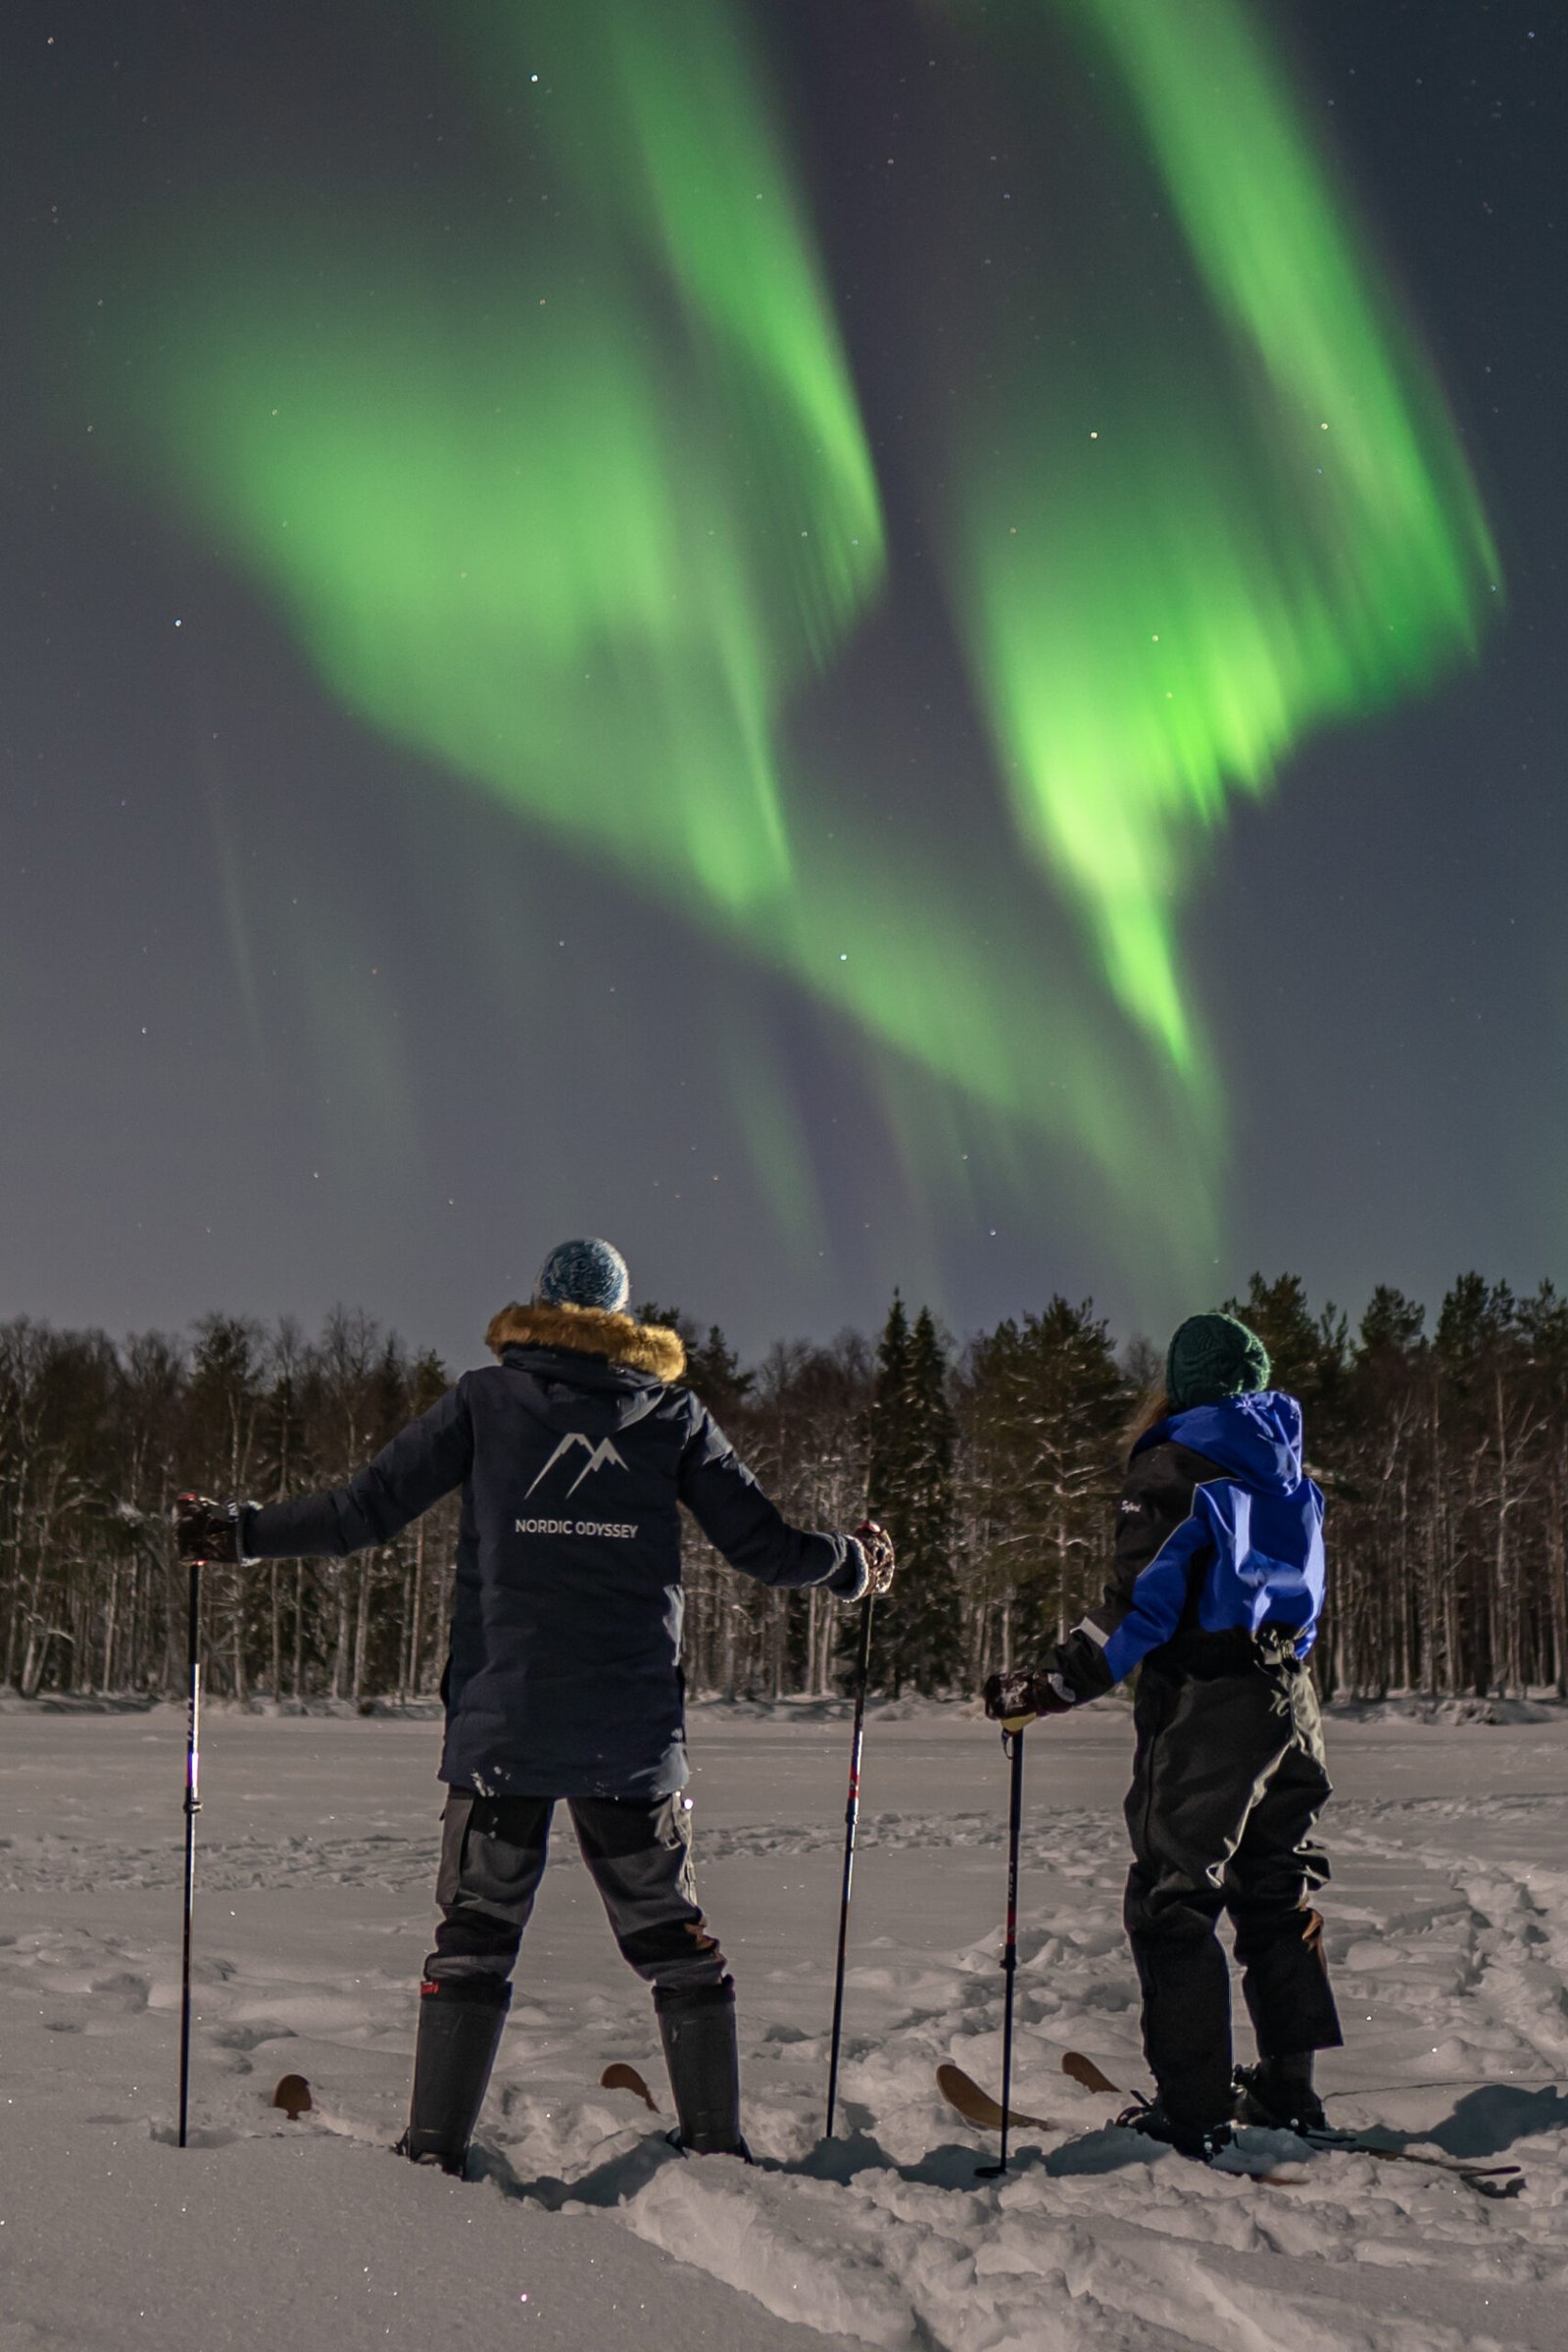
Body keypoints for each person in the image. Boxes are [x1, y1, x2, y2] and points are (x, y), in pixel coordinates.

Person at [177, 1238, 894, 2176]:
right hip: (629, 1736)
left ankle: (434, 2153)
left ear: (541, 1307)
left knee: (475, 1938)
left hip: (505, 1727)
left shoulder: (484, 1402)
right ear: (623, 1320)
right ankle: (716, 2144)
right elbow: (761, 1546)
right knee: (674, 1943)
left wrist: (240, 1534)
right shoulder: (669, 1413)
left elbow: (366, 1511)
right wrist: (851, 1564)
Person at [983, 1310, 1341, 2160]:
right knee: (1274, 1892)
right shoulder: (1290, 1471)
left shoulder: (1177, 1460)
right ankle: (1290, 2091)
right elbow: (1307, 1600)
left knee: (1174, 1901)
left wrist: (1055, 1680)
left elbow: (1144, 1603)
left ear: (1180, 1384)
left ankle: (1192, 2111)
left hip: (1211, 1705)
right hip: (1293, 1699)